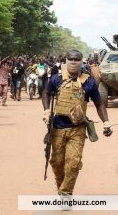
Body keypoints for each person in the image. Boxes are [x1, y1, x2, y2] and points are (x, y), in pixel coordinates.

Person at [42, 49, 113, 197]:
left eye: (76, 59)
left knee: (73, 164)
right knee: (57, 162)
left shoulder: (89, 82)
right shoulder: (56, 79)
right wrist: (46, 111)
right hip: (57, 128)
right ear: (66, 61)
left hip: (78, 129)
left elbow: (99, 104)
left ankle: (66, 194)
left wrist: (106, 122)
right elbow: (46, 93)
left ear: (82, 62)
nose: (73, 62)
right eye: (71, 59)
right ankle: (61, 186)